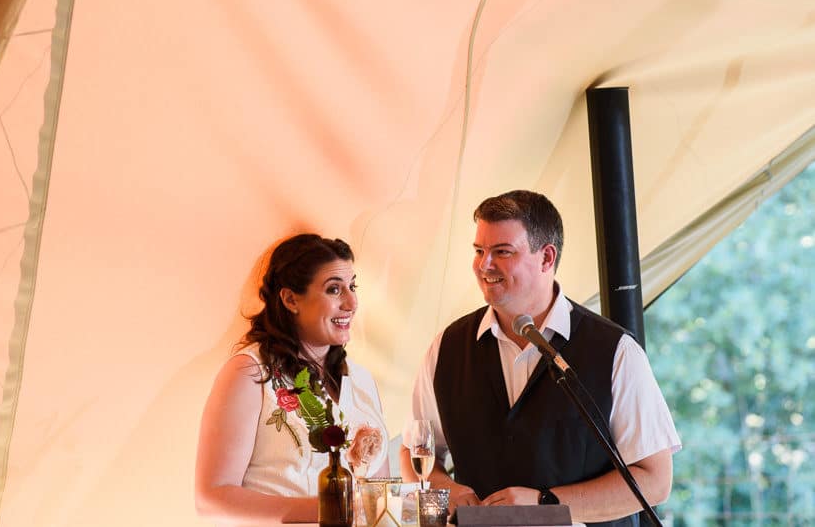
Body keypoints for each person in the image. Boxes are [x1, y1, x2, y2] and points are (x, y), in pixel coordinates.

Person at [400, 190, 680, 526]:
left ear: (547, 257)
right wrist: (446, 489)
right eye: (479, 251)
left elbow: (655, 480)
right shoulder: (446, 348)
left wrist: (547, 504)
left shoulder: (616, 352)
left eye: (502, 252)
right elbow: (412, 452)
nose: (484, 265)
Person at [196, 234, 389, 525]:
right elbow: (212, 498)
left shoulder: (361, 380)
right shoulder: (249, 374)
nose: (351, 302)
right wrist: (331, 510)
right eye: (334, 289)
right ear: (290, 299)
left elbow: (381, 497)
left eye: (352, 286)